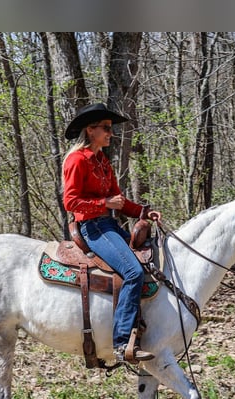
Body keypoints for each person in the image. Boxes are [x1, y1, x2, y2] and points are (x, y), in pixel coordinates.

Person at [62, 103, 161, 364]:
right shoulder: (76, 160)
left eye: (110, 128)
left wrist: (143, 212)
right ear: (90, 130)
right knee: (133, 272)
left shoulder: (102, 161)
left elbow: (119, 201)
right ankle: (121, 342)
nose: (111, 133)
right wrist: (103, 205)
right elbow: (70, 202)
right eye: (105, 128)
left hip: (108, 224)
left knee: (147, 264)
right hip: (92, 227)